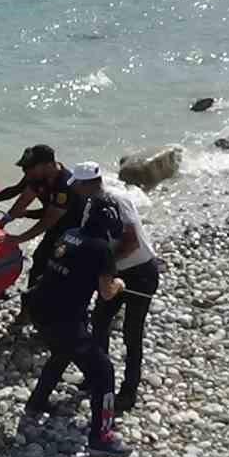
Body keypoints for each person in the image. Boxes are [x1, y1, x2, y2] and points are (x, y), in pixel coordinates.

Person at [20, 196, 132, 457]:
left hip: (39, 308)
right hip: (63, 318)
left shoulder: (70, 234)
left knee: (62, 352)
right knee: (103, 371)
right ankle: (101, 437)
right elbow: (106, 292)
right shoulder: (101, 249)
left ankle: (37, 402)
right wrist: (120, 284)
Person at [66, 161, 160, 414]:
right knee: (99, 321)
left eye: (78, 184)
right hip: (114, 270)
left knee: (132, 333)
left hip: (139, 271)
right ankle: (98, 376)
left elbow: (130, 242)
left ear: (89, 183)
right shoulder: (90, 205)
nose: (74, 188)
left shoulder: (118, 201)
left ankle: (128, 392)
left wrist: (105, 267)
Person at [0, 145, 86, 290]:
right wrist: (2, 222)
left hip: (74, 233)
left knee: (57, 267)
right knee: (39, 260)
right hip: (55, 225)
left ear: (48, 165)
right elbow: (23, 202)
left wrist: (19, 238)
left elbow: (48, 220)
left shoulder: (65, 184)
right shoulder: (38, 177)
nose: (26, 172)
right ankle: (29, 305)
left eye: (30, 168)